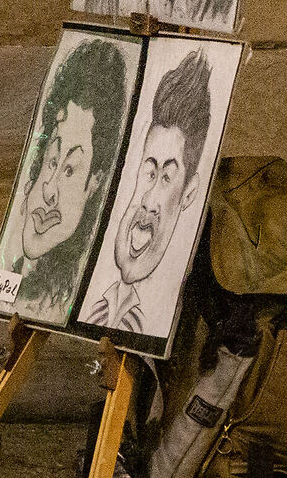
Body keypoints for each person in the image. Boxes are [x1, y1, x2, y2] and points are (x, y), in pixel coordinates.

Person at [0, 34, 132, 319]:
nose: (49, 190)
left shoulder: (80, 287)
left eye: (70, 170)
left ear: (95, 182)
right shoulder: (10, 263)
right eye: (52, 161)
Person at [83, 52, 213, 333]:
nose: (148, 201)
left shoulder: (153, 318)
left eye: (167, 178)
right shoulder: (92, 302)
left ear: (188, 193)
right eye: (150, 172)